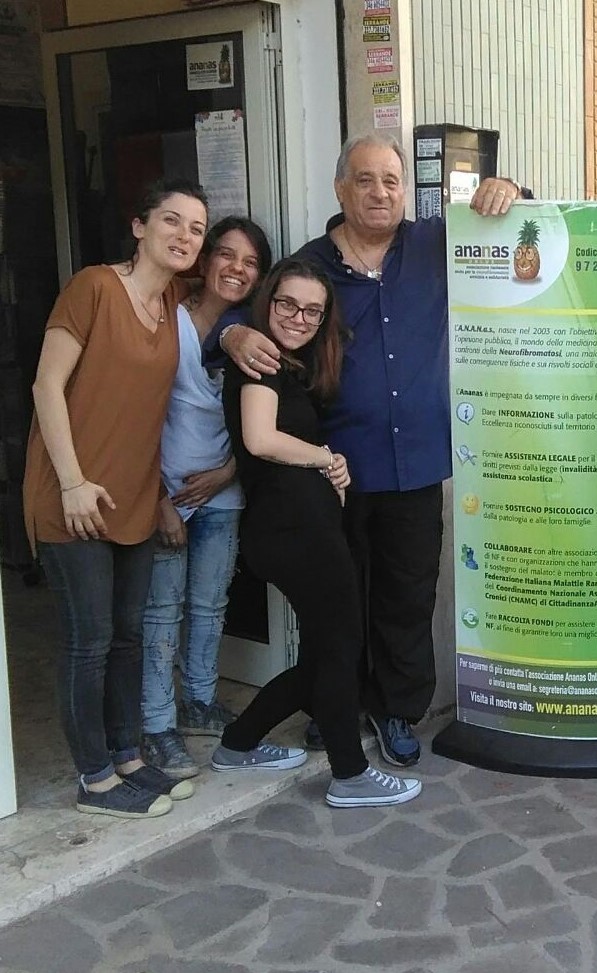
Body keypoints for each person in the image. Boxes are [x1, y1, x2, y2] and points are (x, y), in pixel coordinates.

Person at [217, 134, 522, 767]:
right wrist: (232, 334)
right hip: (335, 471)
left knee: (407, 596)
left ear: (406, 189)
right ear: (340, 189)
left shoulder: (438, 243)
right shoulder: (309, 265)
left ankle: (395, 709)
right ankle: (335, 703)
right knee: (340, 602)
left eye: (391, 180)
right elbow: (243, 313)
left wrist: (511, 190)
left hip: (417, 464)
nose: (380, 193)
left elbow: (525, 231)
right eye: (364, 180)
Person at [24, 178, 209, 818]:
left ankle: (127, 757)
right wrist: (72, 481)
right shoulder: (94, 288)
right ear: (139, 225)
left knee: (128, 637)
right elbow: (46, 386)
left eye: (196, 229)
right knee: (91, 641)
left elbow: (228, 303)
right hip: (73, 495)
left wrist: (240, 337)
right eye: (171, 220)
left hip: (132, 498)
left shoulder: (174, 302)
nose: (184, 235)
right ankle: (95, 779)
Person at [214, 256, 421, 808]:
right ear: (268, 302)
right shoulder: (260, 360)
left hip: (302, 528)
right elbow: (260, 439)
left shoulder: (290, 366)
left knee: (328, 654)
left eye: (313, 311)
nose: (299, 318)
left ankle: (238, 743)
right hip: (292, 531)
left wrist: (329, 466)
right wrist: (327, 457)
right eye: (288, 304)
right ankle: (349, 775)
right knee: (339, 651)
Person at [140, 217, 272, 780]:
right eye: (227, 254)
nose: (237, 268)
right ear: (206, 258)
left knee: (210, 605)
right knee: (160, 610)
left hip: (223, 488)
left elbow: (264, 419)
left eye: (251, 262)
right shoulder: (161, 316)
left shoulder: (255, 330)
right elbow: (133, 417)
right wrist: (158, 500)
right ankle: (156, 725)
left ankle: (198, 701)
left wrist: (227, 473)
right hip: (164, 490)